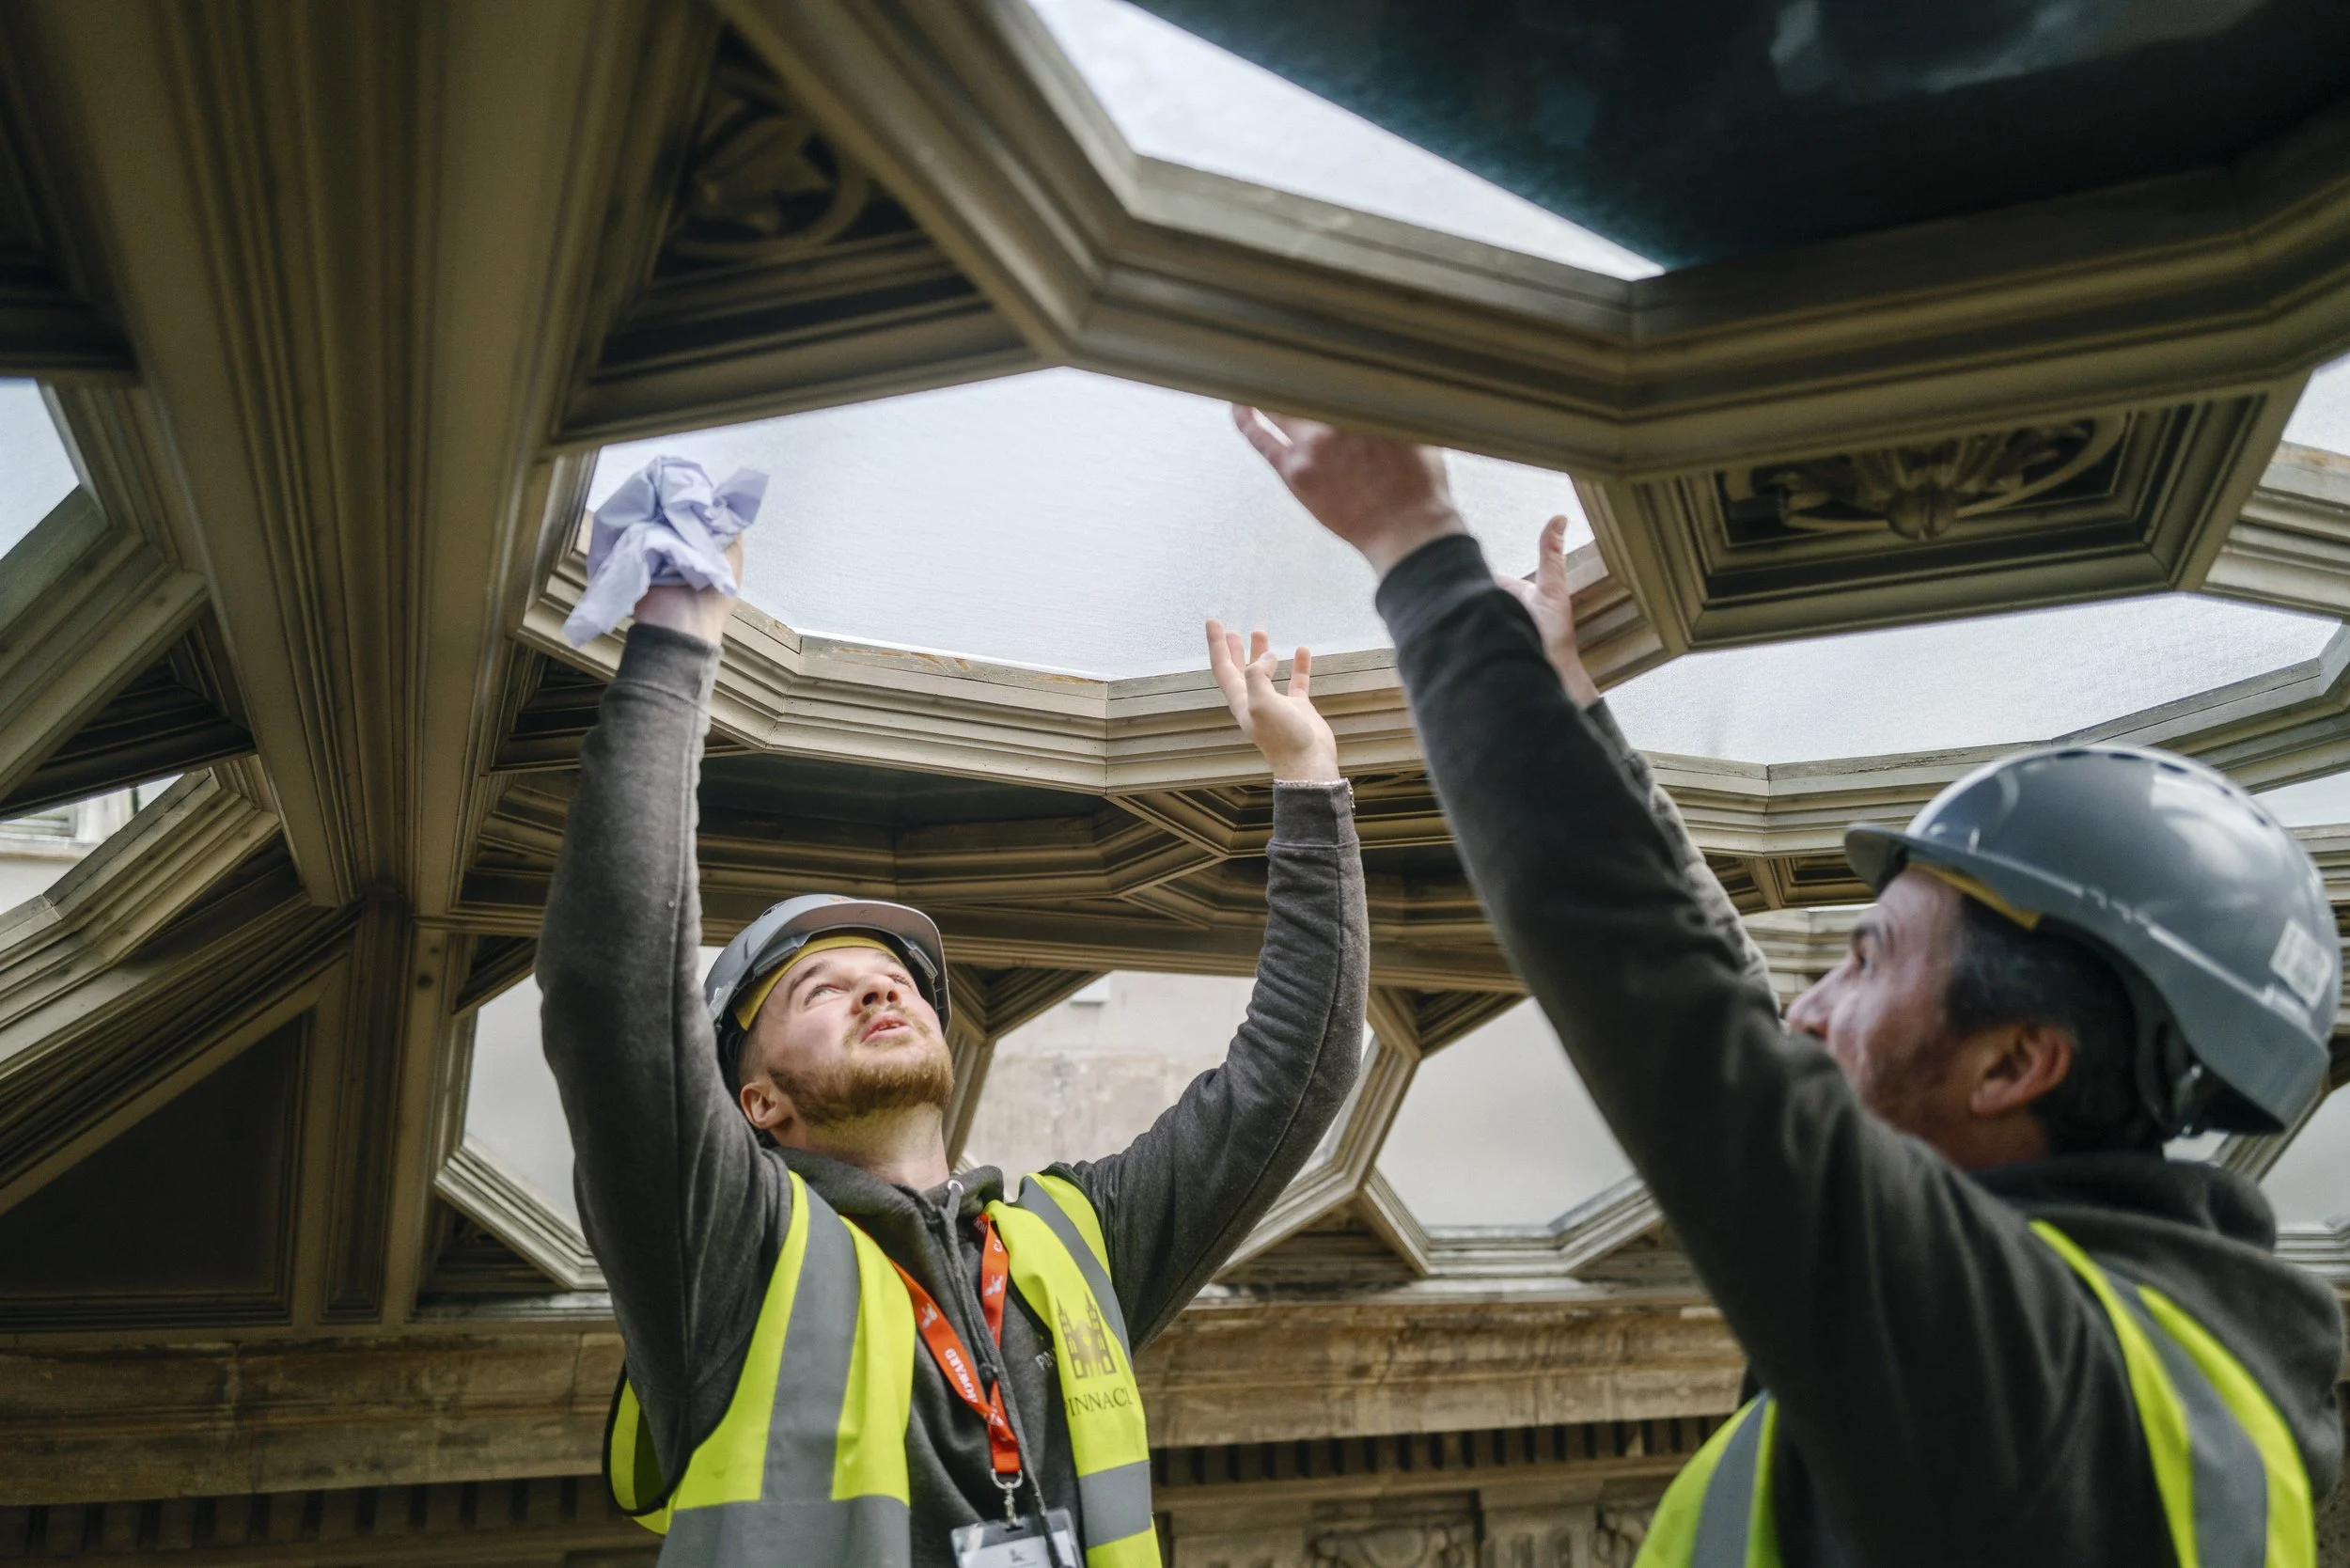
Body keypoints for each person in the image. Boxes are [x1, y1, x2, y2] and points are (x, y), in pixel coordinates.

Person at [1232, 407, 2346, 1567]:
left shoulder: (2022, 1379)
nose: (1807, 1010)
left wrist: (1418, 547)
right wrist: (1565, 704)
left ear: (2014, 1063)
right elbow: (1739, 1026)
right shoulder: (2151, 1373)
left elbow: (1678, 1018)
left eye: (1866, 962)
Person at [535, 537, 1368, 1568]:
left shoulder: (1072, 1248)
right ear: (756, 1103)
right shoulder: (727, 1252)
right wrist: (674, 654)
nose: (881, 986)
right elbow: (612, 991)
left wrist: (1307, 779)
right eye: (819, 989)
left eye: (894, 978)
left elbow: (1294, 1076)